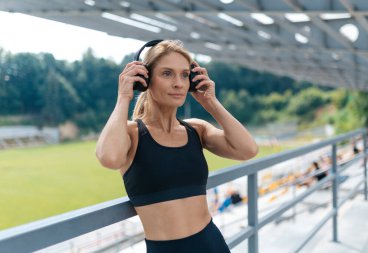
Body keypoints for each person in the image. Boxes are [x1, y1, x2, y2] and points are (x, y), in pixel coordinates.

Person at [95, 40, 259, 253]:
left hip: (213, 245)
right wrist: (123, 97)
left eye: (184, 75)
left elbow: (247, 150)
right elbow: (109, 157)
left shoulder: (196, 130)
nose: (178, 83)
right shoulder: (131, 133)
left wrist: (211, 103)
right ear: (145, 80)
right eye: (167, 74)